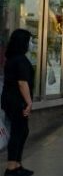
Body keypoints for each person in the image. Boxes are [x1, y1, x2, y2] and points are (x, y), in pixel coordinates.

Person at [2, 29, 34, 176]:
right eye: (30, 41)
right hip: (17, 102)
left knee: (22, 131)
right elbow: (22, 83)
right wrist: (29, 102)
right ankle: (11, 167)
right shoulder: (20, 60)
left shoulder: (12, 58)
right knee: (18, 132)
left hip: (10, 100)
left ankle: (17, 164)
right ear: (23, 43)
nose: (31, 44)